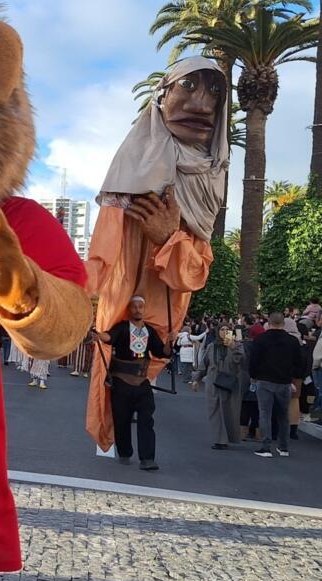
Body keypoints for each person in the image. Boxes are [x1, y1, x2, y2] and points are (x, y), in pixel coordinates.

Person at [84, 57, 229, 454]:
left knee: (140, 394)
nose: (202, 104)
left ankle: (133, 447)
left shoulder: (210, 178)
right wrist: (70, 292)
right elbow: (102, 253)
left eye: (215, 92)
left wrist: (168, 238)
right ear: (163, 96)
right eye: (189, 87)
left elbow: (195, 274)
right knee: (111, 378)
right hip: (116, 306)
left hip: (163, 314)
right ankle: (114, 437)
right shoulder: (131, 161)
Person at [93, 295, 170, 470]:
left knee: (146, 419)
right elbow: (109, 337)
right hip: (121, 382)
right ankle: (125, 452)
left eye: (140, 307)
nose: (137, 310)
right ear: (129, 309)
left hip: (142, 382)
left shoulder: (150, 331)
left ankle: (147, 458)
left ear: (144, 309)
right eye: (134, 307)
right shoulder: (122, 328)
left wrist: (170, 341)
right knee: (122, 420)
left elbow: (161, 352)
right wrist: (99, 335)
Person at [247, 312, 306, 458]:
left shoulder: (261, 339)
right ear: (283, 324)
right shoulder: (292, 341)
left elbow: (253, 360)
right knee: (283, 415)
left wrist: (253, 375)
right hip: (284, 381)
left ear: (269, 323)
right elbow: (299, 363)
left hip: (264, 380)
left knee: (265, 414)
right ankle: (283, 446)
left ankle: (266, 446)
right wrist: (293, 376)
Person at [195, 324, 242, 449]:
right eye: (222, 329)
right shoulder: (212, 346)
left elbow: (241, 361)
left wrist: (233, 347)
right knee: (215, 411)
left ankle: (229, 437)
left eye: (227, 330)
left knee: (229, 411)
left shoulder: (237, 346)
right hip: (213, 381)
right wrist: (196, 379)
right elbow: (204, 364)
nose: (225, 332)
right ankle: (219, 440)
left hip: (229, 382)